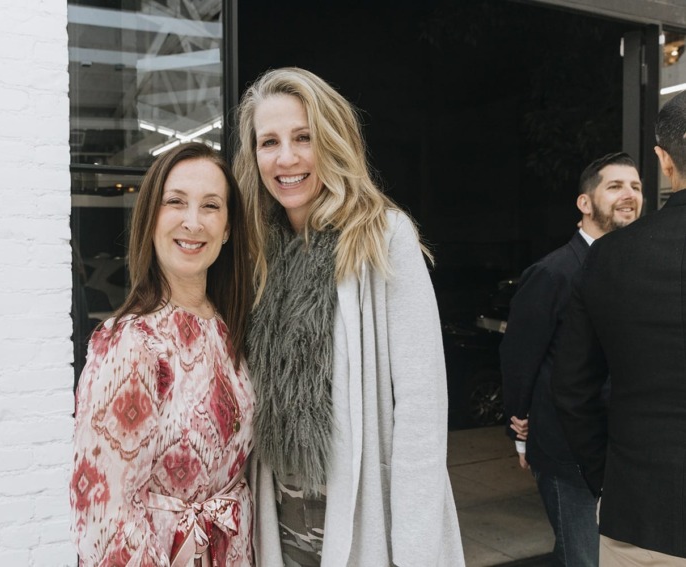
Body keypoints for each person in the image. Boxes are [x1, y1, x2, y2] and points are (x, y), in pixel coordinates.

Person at [234, 67, 464, 566]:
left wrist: (415, 547)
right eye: (268, 142)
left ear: (333, 141)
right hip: (277, 524)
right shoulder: (258, 252)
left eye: (303, 137)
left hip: (361, 519)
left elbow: (422, 408)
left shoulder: (383, 236)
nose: (286, 157)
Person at [69, 142, 255, 566]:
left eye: (211, 206)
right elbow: (104, 515)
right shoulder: (130, 343)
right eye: (176, 202)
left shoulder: (230, 327)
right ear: (151, 215)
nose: (193, 222)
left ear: (227, 228)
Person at [552, 90, 686, 564]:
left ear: (663, 160)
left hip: (640, 512)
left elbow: (571, 387)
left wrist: (605, 477)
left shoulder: (610, 257)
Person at [499, 152, 643, 566]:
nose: (628, 195)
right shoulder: (553, 272)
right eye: (615, 186)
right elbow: (519, 355)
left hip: (622, 449)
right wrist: (520, 426)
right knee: (583, 558)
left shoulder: (634, 267)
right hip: (565, 450)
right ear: (584, 203)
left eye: (635, 186)